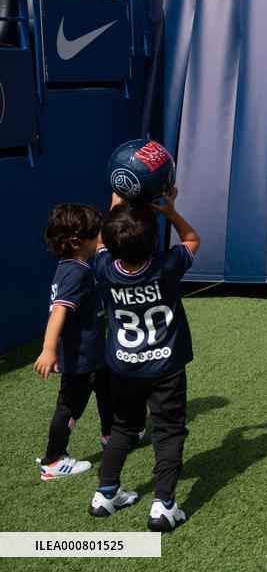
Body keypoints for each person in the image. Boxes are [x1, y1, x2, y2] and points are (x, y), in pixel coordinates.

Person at [88, 186, 199, 532]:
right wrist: (170, 211)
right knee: (168, 432)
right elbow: (192, 239)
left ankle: (106, 493)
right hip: (165, 368)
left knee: (123, 428)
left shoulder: (103, 267)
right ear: (153, 242)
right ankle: (163, 505)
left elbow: (104, 241)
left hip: (123, 366)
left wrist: (118, 194)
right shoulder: (167, 267)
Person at [33, 204, 111, 480]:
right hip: (80, 360)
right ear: (78, 242)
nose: (100, 238)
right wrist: (48, 349)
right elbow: (59, 311)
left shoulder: (70, 266)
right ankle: (53, 459)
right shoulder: (77, 272)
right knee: (69, 409)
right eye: (96, 233)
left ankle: (111, 435)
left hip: (94, 355)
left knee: (109, 393)